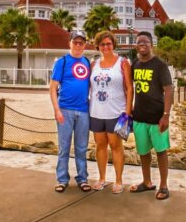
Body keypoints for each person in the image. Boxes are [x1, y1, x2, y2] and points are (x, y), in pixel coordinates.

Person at [129, 31, 174, 200]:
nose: (142, 44)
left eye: (146, 42)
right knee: (143, 152)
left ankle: (163, 186)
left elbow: (169, 90)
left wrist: (166, 115)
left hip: (157, 118)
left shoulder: (159, 65)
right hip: (139, 117)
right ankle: (147, 182)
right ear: (136, 46)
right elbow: (130, 88)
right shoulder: (135, 64)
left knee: (161, 151)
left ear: (151, 44)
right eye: (139, 42)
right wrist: (130, 109)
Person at [88, 31, 133, 194]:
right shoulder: (94, 64)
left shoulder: (123, 62)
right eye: (102, 44)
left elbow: (129, 88)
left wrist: (127, 113)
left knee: (116, 146)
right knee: (100, 146)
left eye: (108, 43)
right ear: (98, 46)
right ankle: (101, 178)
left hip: (117, 113)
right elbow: (88, 87)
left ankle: (119, 180)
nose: (105, 47)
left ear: (113, 44)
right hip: (96, 112)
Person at [49, 30, 93, 192]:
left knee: (82, 147)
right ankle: (62, 179)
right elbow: (53, 88)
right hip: (65, 110)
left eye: (81, 42)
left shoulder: (87, 62)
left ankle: (82, 178)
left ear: (85, 45)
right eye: (75, 42)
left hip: (83, 111)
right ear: (70, 43)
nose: (78, 45)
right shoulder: (62, 62)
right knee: (64, 147)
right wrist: (57, 110)